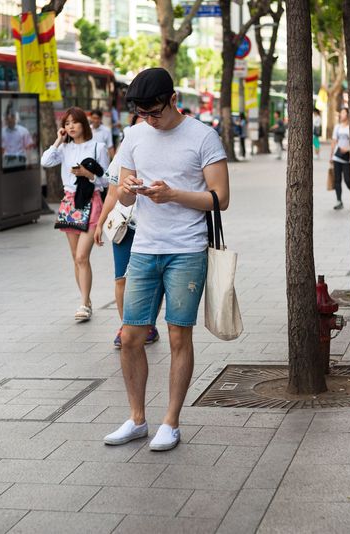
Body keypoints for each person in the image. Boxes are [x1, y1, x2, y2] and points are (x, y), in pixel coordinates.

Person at [104, 67, 229, 452]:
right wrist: (127, 190)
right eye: (143, 114)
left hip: (187, 249)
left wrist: (173, 194)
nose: (150, 120)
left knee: (178, 335)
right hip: (144, 246)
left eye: (155, 112)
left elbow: (219, 198)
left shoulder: (203, 136)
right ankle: (136, 418)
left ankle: (170, 422)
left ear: (173, 100)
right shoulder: (135, 135)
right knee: (130, 336)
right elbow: (124, 197)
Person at [93, 116, 160, 348]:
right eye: (139, 123)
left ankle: (148, 324)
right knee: (121, 278)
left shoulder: (163, 153)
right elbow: (111, 194)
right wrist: (100, 223)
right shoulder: (122, 157)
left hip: (152, 228)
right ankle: (126, 325)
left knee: (152, 279)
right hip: (125, 226)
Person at [41, 107, 110, 322]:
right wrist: (58, 141)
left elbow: (108, 179)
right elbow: (45, 161)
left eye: (74, 122)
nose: (70, 126)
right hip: (69, 201)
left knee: (82, 256)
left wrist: (88, 174)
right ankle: (86, 300)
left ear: (84, 124)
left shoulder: (99, 147)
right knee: (75, 257)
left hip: (92, 201)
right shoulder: (64, 149)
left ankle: (84, 303)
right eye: (67, 123)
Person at [329, 108, 350, 209]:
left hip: (347, 158)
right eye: (341, 113)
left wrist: (347, 149)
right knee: (337, 180)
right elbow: (334, 141)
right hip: (337, 157)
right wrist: (331, 156)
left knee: (348, 180)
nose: (341, 115)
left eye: (343, 113)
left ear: (347, 115)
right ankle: (339, 201)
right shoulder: (337, 127)